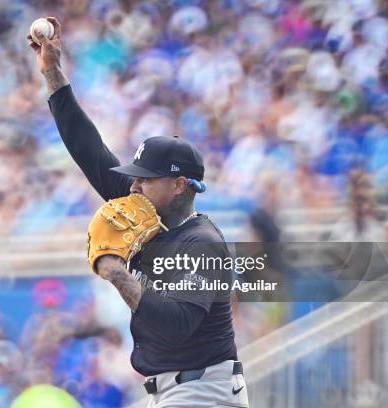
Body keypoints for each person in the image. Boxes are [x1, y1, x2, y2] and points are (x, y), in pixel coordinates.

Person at [28, 18, 249, 408]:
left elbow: (177, 326)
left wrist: (116, 273)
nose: (132, 186)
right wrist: (51, 69)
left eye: (145, 179)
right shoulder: (145, 208)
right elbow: (87, 146)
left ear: (179, 185)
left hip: (203, 392)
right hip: (170, 390)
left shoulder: (203, 243)